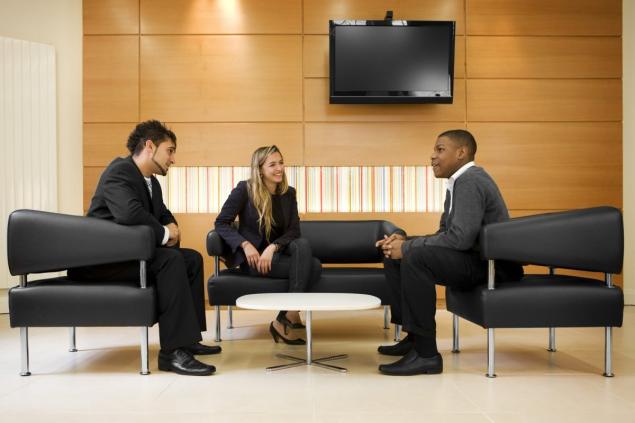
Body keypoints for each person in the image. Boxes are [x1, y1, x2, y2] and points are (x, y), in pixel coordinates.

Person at [69, 120, 219, 376]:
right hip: (103, 261)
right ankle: (171, 353)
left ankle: (187, 340)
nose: (173, 159)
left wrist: (171, 226)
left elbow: (162, 213)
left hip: (132, 254)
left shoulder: (152, 182)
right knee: (171, 261)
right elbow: (129, 213)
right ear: (150, 146)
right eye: (170, 150)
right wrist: (164, 233)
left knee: (191, 259)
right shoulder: (119, 171)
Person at [375, 129, 523, 376]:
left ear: (461, 153)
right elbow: (445, 233)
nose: (432, 156)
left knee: (414, 256)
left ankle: (427, 355)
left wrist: (410, 247)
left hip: (491, 265)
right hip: (472, 258)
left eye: (440, 150)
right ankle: (413, 338)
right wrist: (405, 241)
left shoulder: (471, 180)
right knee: (395, 253)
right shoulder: (456, 183)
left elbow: (459, 239)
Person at [215, 145, 321, 344]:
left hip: (277, 256)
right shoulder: (244, 189)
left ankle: (286, 316)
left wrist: (273, 247)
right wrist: (245, 245)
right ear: (260, 169)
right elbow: (221, 222)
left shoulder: (288, 193)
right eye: (272, 164)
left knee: (303, 245)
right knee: (312, 267)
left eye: (281, 162)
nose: (279, 168)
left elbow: (293, 230)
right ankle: (289, 317)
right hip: (254, 259)